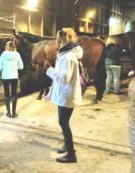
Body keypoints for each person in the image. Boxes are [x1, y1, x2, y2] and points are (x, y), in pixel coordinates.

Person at [45, 28, 82, 163]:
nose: (56, 40)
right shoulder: (65, 54)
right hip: (64, 94)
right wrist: (51, 92)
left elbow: (64, 78)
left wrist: (49, 70)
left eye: (57, 38)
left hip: (66, 95)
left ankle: (71, 154)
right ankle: (68, 145)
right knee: (63, 121)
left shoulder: (68, 57)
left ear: (63, 39)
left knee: (63, 122)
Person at [0, 41, 24, 118]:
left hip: (5, 76)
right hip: (14, 76)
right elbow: (21, 66)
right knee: (14, 94)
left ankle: (8, 113)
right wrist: (15, 67)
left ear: (6, 47)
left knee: (6, 94)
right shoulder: (17, 54)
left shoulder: (3, 54)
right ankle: (13, 113)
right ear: (14, 47)